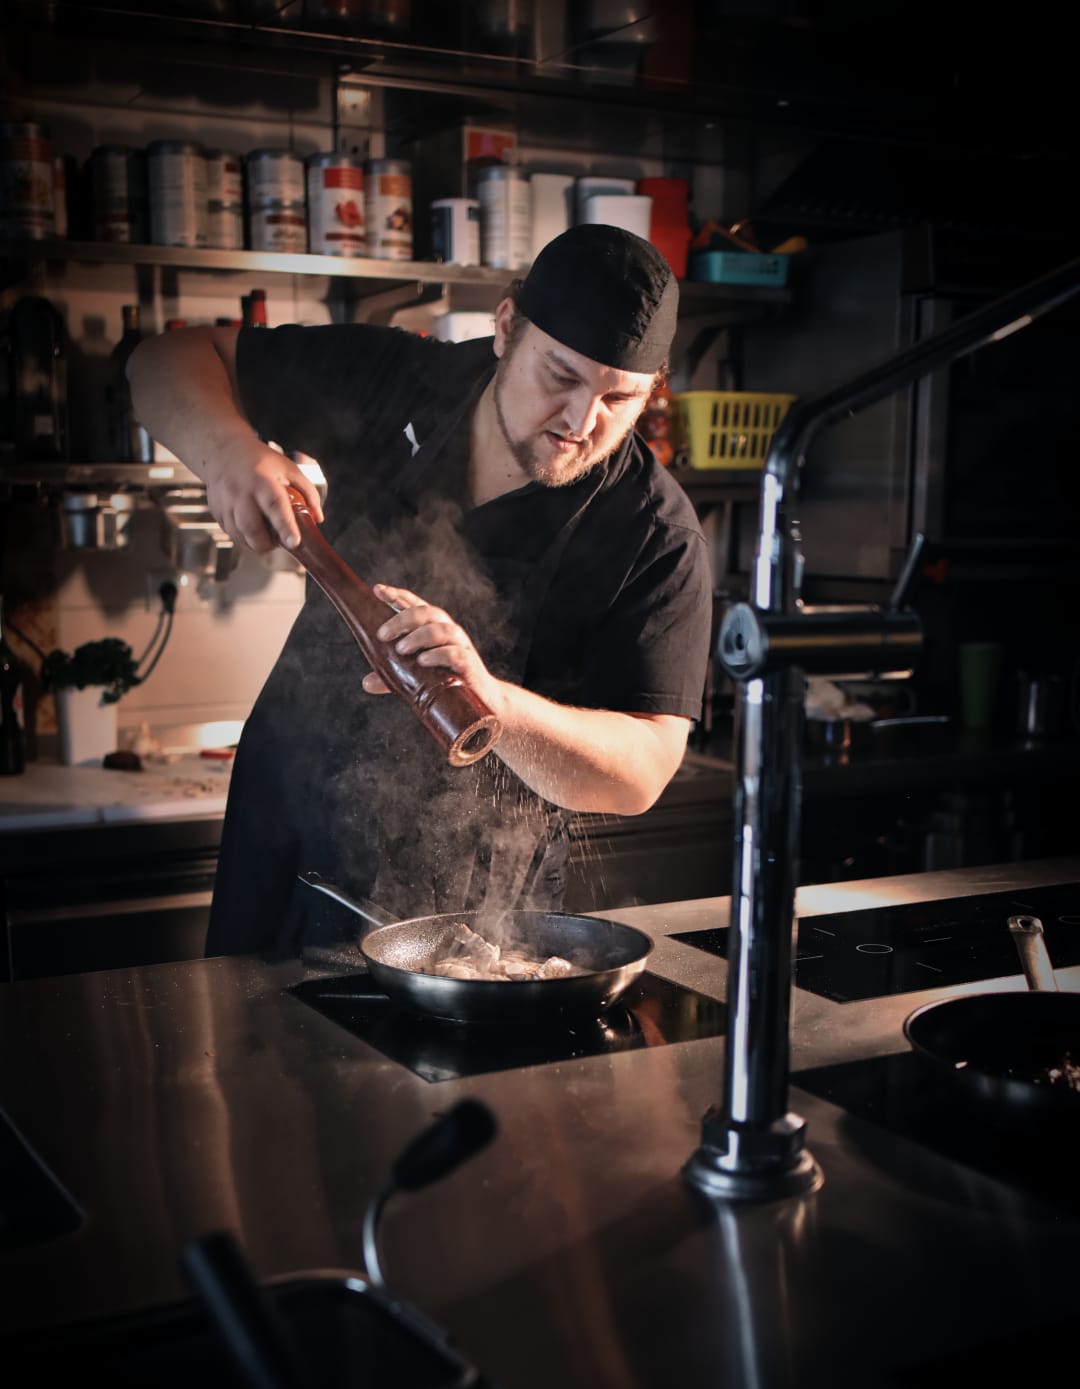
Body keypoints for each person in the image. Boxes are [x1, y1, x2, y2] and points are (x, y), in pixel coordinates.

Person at [128, 224, 713, 959]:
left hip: (469, 906)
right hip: (284, 822)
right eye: (560, 376)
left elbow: (645, 769)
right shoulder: (399, 377)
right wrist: (228, 452)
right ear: (507, 328)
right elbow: (163, 360)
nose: (580, 421)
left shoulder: (654, 533)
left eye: (618, 399)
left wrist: (496, 705)